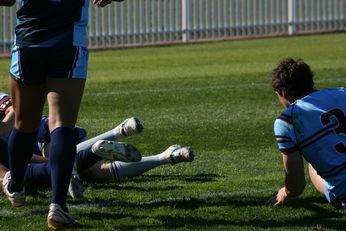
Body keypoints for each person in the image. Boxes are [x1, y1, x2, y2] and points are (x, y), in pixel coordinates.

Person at [1, 0, 126, 229]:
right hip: (68, 42)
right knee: (61, 123)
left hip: (30, 40)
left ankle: (16, 186)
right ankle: (57, 206)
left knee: (24, 123)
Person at [0, 93, 194, 200]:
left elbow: (16, 109)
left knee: (59, 162)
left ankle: (117, 135)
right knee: (95, 172)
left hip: (42, 133)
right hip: (24, 153)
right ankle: (165, 156)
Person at [266, 58, 346, 211]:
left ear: (282, 92)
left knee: (312, 166)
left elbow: (296, 186)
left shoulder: (287, 120)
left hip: (343, 191)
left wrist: (285, 192)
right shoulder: (342, 92)